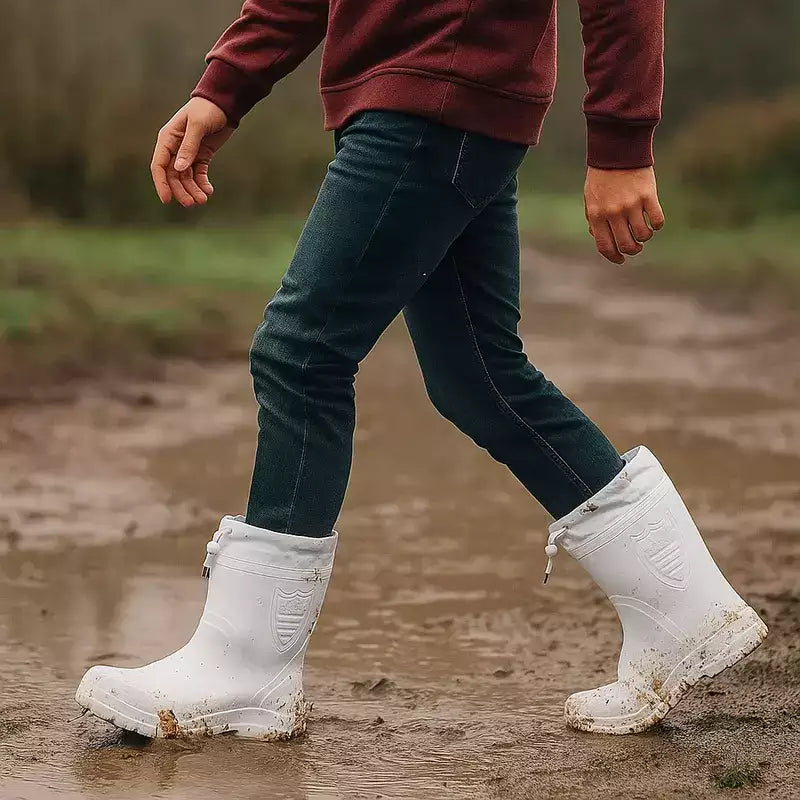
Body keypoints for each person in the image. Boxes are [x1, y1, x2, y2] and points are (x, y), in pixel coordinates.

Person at [76, 0, 767, 738]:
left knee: (301, 353)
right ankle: (683, 606)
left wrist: (622, 142)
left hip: (440, 84)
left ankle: (245, 666)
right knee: (477, 375)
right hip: (422, 93)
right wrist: (224, 84)